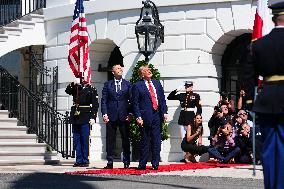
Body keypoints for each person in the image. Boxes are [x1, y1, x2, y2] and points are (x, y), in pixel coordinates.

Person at [244, 2, 284, 188]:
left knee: (268, 148)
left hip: (266, 100)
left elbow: (249, 76)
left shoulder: (258, 44)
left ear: (274, 18)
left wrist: (250, 102)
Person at [132, 65, 168, 170]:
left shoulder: (157, 83)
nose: (149, 71)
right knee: (145, 140)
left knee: (156, 140)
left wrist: (164, 112)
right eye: (146, 70)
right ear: (142, 74)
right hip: (145, 116)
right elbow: (135, 103)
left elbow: (162, 99)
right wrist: (138, 116)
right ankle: (142, 163)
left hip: (157, 115)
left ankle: (155, 163)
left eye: (149, 69)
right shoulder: (137, 85)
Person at [101, 64, 132, 169]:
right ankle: (110, 161)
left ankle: (126, 161)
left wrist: (130, 114)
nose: (120, 70)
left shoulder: (127, 84)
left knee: (125, 139)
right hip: (111, 115)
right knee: (110, 140)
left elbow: (132, 101)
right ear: (113, 72)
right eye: (118, 68)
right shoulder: (107, 84)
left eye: (121, 68)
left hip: (124, 116)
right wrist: (104, 114)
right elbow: (104, 100)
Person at [65, 77, 99, 167]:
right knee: (76, 139)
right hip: (76, 117)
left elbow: (95, 104)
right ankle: (78, 160)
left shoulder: (91, 89)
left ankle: (85, 160)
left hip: (85, 116)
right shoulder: (76, 88)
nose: (83, 80)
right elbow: (67, 91)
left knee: (84, 139)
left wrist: (93, 117)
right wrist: (73, 83)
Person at [167, 81, 202, 161]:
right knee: (183, 138)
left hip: (191, 118)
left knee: (191, 138)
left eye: (189, 86)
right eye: (186, 86)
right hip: (182, 118)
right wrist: (177, 90)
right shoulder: (181, 95)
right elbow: (169, 97)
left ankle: (191, 155)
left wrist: (198, 116)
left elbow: (199, 107)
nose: (187, 88)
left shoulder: (195, 96)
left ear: (192, 87)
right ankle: (185, 156)